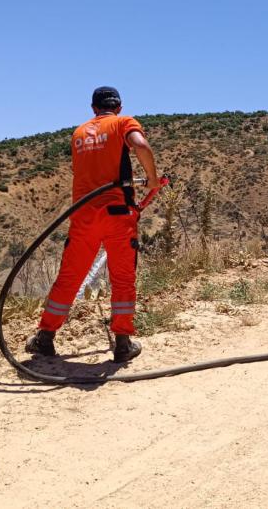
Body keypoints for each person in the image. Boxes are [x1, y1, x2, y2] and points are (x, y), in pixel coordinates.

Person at [26, 86, 161, 362]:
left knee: (69, 277)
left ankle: (45, 338)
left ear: (93, 109)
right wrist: (152, 177)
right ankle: (122, 344)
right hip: (117, 214)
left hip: (84, 215)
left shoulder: (78, 133)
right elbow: (140, 145)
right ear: (119, 107)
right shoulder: (124, 123)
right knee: (122, 277)